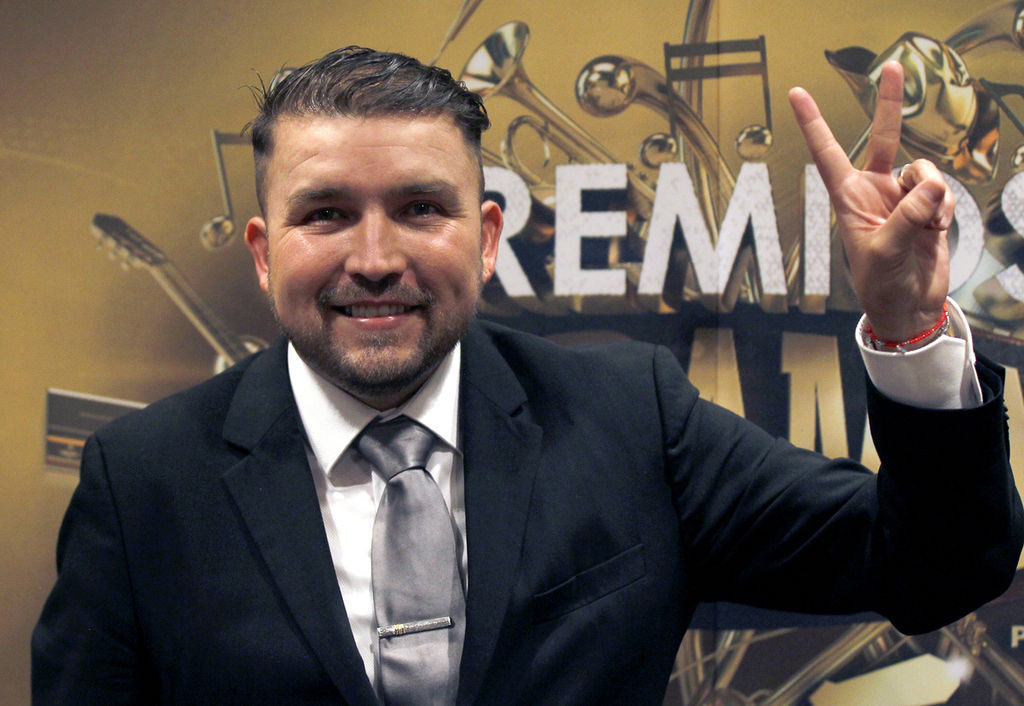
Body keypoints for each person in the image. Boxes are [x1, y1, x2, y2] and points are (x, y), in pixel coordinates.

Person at [32, 46, 1023, 705]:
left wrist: (908, 325)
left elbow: (938, 567)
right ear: (262, 251)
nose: (374, 258)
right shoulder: (142, 481)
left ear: (487, 235)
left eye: (421, 209)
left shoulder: (631, 418)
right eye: (325, 213)